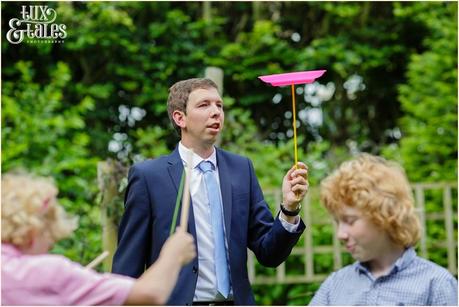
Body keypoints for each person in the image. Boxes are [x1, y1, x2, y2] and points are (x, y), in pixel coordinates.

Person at [112, 78, 309, 305]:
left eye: (219, 105)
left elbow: (269, 253)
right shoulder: (149, 177)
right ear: (180, 118)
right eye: (204, 105)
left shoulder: (241, 169)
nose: (216, 112)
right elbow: (127, 269)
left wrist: (289, 208)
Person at [1, 172, 196, 305]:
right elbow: (150, 293)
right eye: (50, 236)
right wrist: (173, 255)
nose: (51, 245)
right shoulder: (49, 273)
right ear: (34, 230)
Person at [309, 154, 458, 306]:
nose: (340, 234)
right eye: (337, 222)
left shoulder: (436, 285)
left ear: (385, 215)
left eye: (350, 221)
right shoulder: (335, 286)